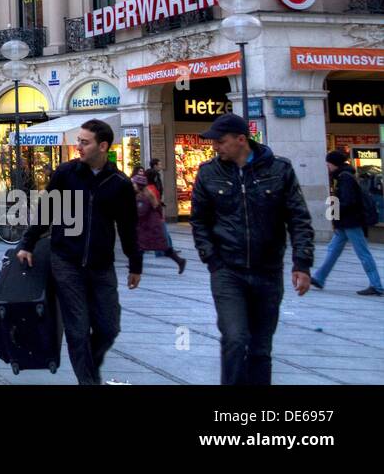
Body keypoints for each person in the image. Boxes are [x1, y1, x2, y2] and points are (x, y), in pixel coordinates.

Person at [190, 113, 315, 386]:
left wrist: (302, 264)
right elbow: (199, 220)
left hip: (267, 271)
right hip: (227, 271)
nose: (216, 147)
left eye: (221, 142)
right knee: (235, 339)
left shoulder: (279, 170)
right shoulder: (209, 173)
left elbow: (298, 218)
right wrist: (211, 258)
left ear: (241, 139)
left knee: (260, 347)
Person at [18, 119, 141, 385]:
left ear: (103, 146)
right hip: (66, 261)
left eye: (85, 142)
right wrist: (27, 243)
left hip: (101, 265)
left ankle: (89, 368)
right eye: (79, 141)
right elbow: (47, 211)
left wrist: (135, 264)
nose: (79, 147)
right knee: (77, 328)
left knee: (109, 327)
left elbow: (129, 227)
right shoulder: (66, 173)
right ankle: (87, 382)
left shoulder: (119, 183)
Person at [311, 150, 382, 296]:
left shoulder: (345, 178)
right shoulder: (343, 176)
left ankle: (377, 285)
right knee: (333, 249)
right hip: (345, 222)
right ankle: (319, 277)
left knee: (363, 253)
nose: (327, 166)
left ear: (334, 164)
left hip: (351, 222)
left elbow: (348, 201)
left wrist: (334, 210)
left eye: (328, 163)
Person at [132, 170, 186, 274]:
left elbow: (141, 212)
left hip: (150, 227)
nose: (133, 185)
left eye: (134, 183)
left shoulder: (143, 197)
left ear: (139, 185)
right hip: (150, 226)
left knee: (142, 247)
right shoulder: (144, 195)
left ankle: (135, 266)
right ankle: (135, 265)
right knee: (146, 247)